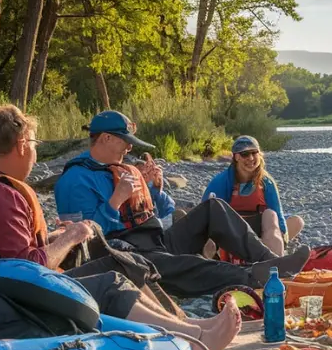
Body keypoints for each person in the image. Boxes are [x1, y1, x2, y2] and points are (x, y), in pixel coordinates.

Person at [0, 105, 236, 350]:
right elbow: (23, 268)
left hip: (0, 285)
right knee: (110, 282)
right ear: (22, 145)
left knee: (123, 261)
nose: (34, 155)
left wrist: (54, 237)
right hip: (8, 297)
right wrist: (71, 237)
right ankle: (194, 341)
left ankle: (187, 326)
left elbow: (8, 252)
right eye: (33, 145)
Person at [53, 110, 310, 297]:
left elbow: (163, 211)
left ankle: (271, 264)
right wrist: (115, 200)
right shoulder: (74, 180)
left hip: (156, 240)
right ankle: (254, 277)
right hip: (127, 256)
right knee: (192, 265)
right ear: (106, 138)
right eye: (125, 142)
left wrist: (155, 189)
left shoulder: (122, 169)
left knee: (214, 208)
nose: (128, 150)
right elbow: (83, 244)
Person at [201, 135, 304, 257]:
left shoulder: (267, 183)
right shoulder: (220, 182)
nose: (250, 158)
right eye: (245, 154)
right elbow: (206, 214)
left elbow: (277, 213)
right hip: (232, 231)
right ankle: (210, 263)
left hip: (259, 232)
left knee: (273, 215)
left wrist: (283, 237)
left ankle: (274, 261)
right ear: (236, 157)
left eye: (254, 153)